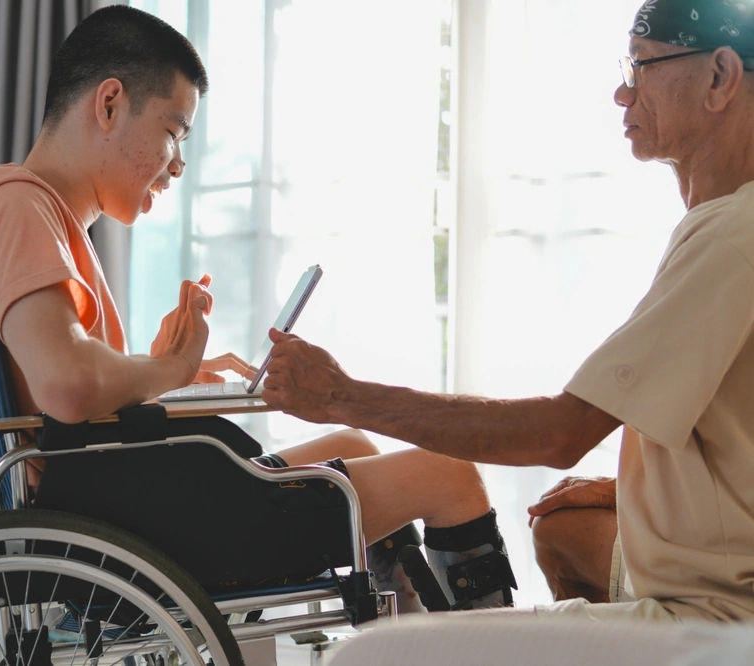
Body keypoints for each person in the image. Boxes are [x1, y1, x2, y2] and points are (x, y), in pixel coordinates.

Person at [0, 5, 517, 612]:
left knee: (357, 445)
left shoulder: (39, 216)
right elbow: (68, 385)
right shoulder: (18, 206)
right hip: (132, 528)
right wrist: (173, 369)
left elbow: (59, 394)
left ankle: (413, 643)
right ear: (108, 105)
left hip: (124, 503)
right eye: (172, 132)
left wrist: (155, 374)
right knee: (449, 474)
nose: (179, 164)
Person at [262, 0, 754, 622]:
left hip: (716, 616)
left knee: (384, 654)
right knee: (563, 528)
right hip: (719, 568)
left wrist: (340, 395)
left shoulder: (732, 240)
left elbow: (560, 433)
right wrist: (639, 492)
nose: (621, 94)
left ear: (719, 77)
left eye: (642, 67)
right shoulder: (722, 226)